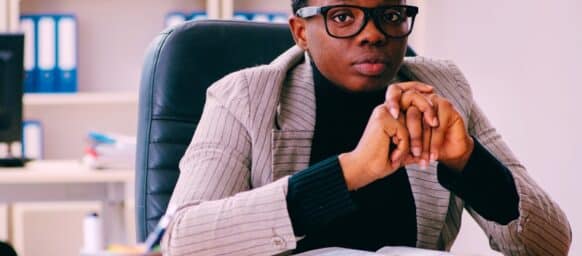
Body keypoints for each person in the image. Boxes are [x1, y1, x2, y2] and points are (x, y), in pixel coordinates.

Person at [161, 0, 572, 255]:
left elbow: (552, 244)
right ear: (301, 31)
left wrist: (468, 161)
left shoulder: (442, 89)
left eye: (389, 15)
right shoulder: (245, 97)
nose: (373, 34)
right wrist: (352, 172)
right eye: (343, 16)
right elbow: (183, 241)